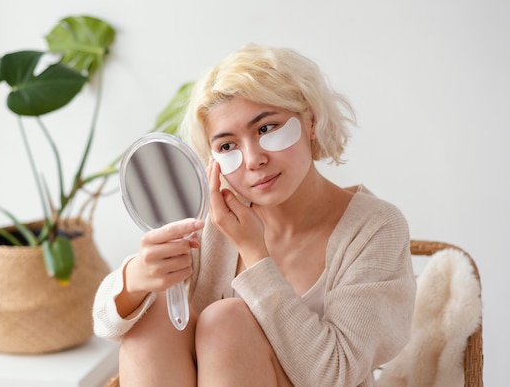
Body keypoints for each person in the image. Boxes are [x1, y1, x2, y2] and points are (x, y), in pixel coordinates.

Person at [93, 44, 416, 387]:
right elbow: (105, 323)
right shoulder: (209, 221)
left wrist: (255, 254)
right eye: (228, 146)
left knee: (226, 320)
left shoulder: (376, 229)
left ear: (311, 121)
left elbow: (335, 374)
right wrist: (138, 276)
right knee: (153, 308)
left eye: (266, 129)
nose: (252, 160)